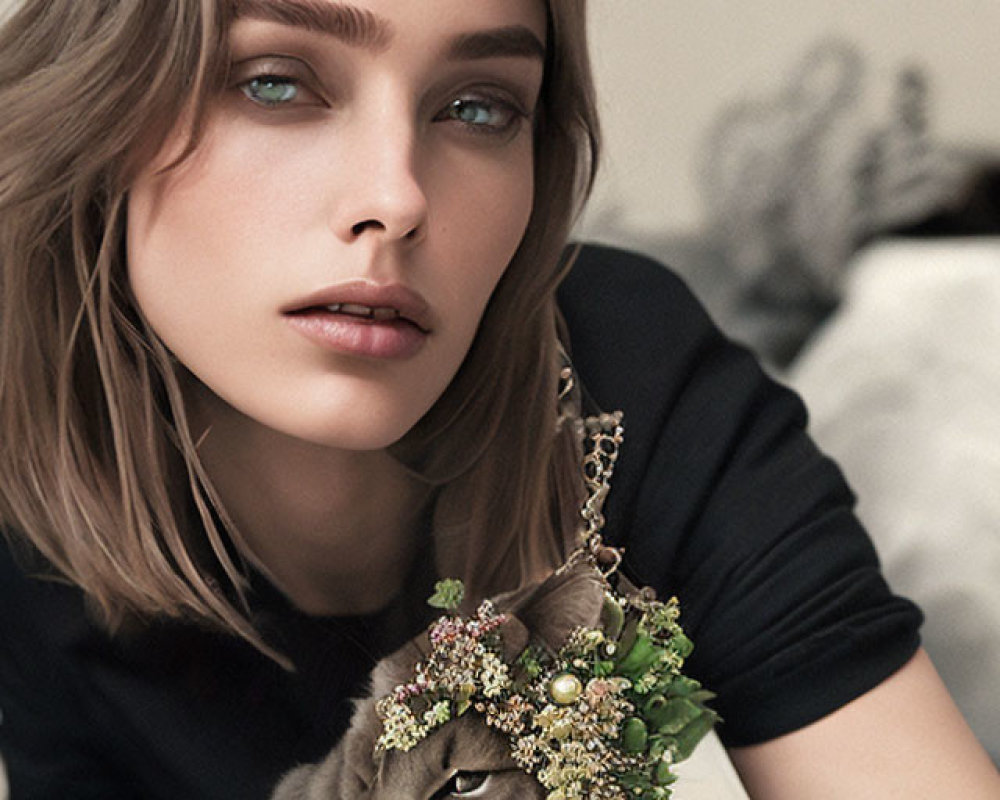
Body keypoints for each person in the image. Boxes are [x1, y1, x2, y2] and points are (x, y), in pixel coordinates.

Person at [0, 1, 996, 798]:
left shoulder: (626, 380)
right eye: (276, 83)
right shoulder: (21, 452)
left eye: (479, 107)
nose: (397, 196)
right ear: (101, 109)